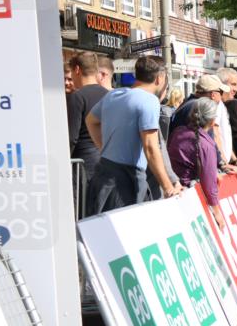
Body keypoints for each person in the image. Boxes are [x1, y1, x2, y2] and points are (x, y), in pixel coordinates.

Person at [84, 56, 181, 215]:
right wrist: (168, 188)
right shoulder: (150, 101)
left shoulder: (113, 95)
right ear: (160, 78)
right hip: (125, 183)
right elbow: (150, 148)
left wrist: (104, 148)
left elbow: (91, 121)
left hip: (104, 175)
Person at [167, 97, 231, 230]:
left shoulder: (178, 132)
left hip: (171, 189)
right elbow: (208, 181)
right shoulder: (206, 144)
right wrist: (217, 211)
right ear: (213, 121)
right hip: (189, 196)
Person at [66, 51, 108, 182]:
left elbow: (72, 137)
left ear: (77, 69)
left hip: (83, 165)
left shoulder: (77, 97)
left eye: (71, 74)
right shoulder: (109, 95)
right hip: (106, 161)